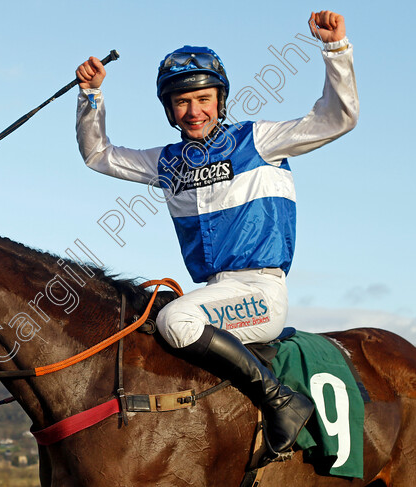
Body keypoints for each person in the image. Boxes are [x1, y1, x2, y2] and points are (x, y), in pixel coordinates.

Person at [75, 10, 357, 463]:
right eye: (182, 103)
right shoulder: (166, 162)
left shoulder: (261, 140)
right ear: (169, 110)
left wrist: (335, 49)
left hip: (260, 293)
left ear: (220, 99)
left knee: (175, 322)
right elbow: (98, 155)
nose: (194, 111)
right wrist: (90, 95)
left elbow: (338, 117)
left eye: (203, 98)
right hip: (214, 294)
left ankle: (282, 401)